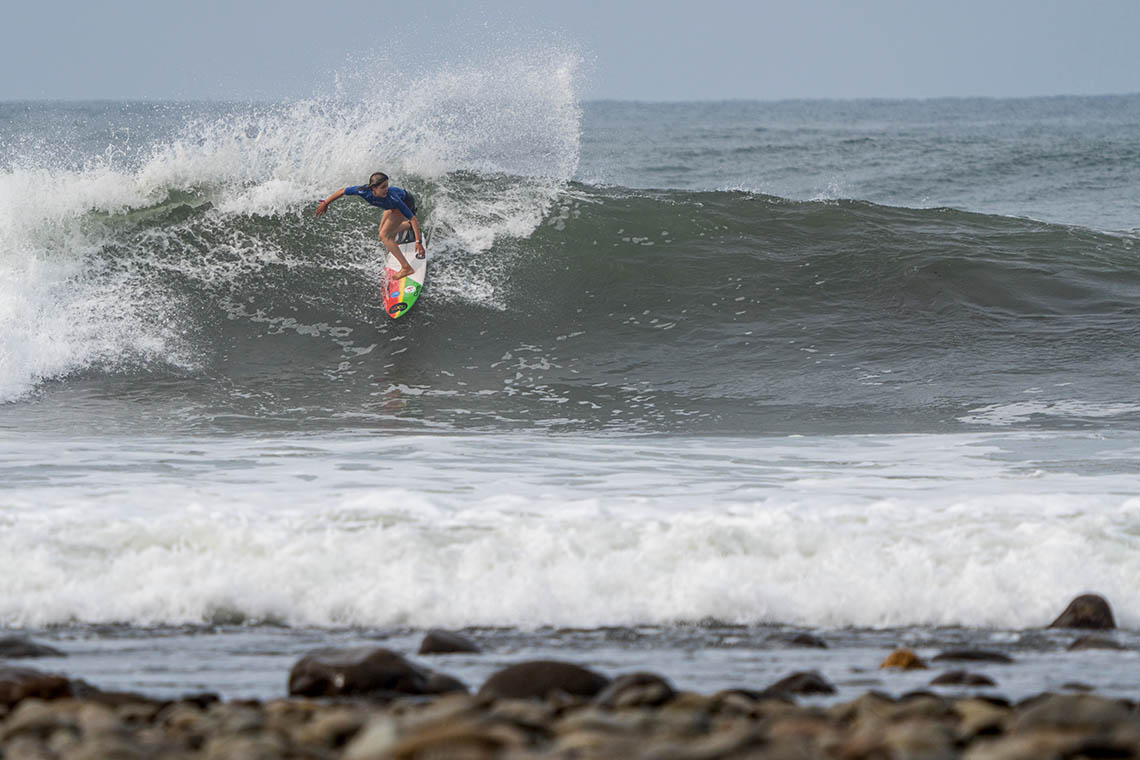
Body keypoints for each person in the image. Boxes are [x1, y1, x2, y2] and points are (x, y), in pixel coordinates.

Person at [315, 172, 425, 280]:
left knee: (384, 235)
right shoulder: (363, 191)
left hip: (405, 202)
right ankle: (407, 226)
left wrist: (418, 242)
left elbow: (413, 219)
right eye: (383, 187)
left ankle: (406, 268)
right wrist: (325, 203)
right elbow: (342, 191)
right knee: (383, 232)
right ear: (373, 188)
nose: (386, 189)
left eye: (387, 185)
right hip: (390, 206)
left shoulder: (392, 198)